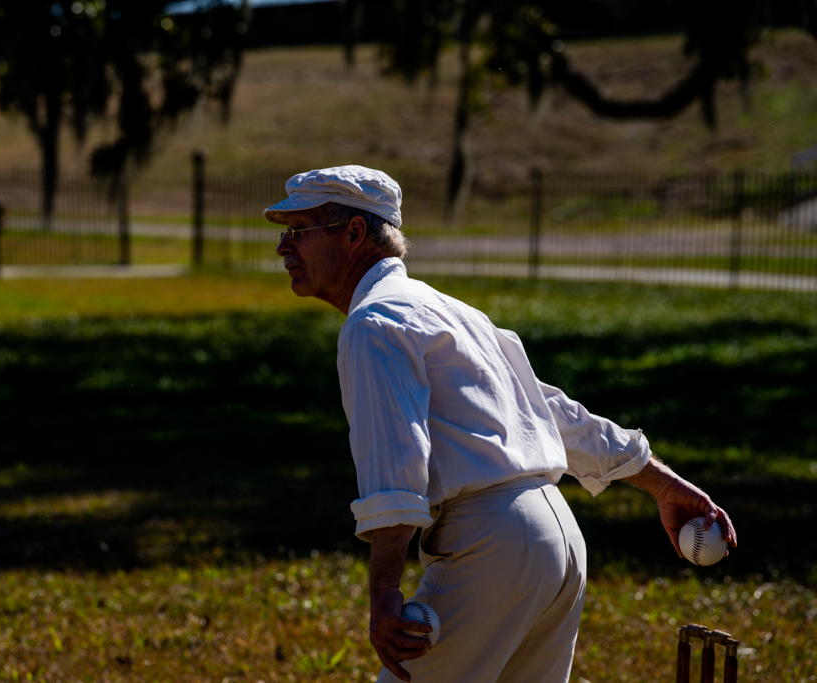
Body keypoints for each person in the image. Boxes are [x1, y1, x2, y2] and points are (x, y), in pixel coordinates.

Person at [265, 165, 738, 683]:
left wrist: (384, 595)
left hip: (489, 549)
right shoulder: (452, 311)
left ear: (354, 233)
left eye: (300, 231)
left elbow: (397, 467)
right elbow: (552, 414)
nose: (285, 247)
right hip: (559, 543)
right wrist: (661, 483)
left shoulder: (375, 324)